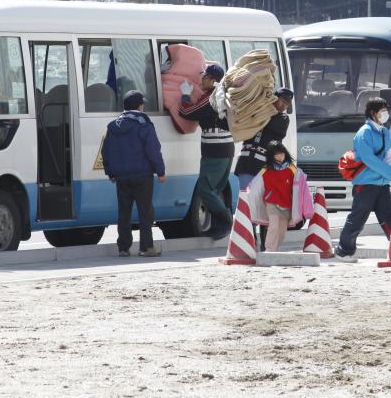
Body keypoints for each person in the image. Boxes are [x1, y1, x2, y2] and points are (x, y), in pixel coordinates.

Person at [333, 97, 391, 262]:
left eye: (386, 111)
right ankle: (344, 251)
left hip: (382, 182)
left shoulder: (384, 132)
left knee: (388, 217)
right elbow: (368, 159)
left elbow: (388, 155)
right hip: (365, 183)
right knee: (358, 217)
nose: (385, 114)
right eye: (382, 111)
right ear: (373, 113)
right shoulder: (364, 132)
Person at [101, 91, 166, 258]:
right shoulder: (144, 124)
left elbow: (106, 151)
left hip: (121, 176)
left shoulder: (113, 126)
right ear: (140, 105)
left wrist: (110, 172)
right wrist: (160, 171)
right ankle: (146, 247)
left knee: (124, 212)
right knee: (145, 211)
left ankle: (123, 247)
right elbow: (153, 150)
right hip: (142, 175)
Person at [234, 87, 294, 249]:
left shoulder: (282, 119)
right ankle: (249, 241)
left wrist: (261, 108)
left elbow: (271, 126)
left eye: (286, 103)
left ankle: (266, 246)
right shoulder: (257, 111)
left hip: (265, 168)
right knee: (247, 204)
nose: (282, 105)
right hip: (246, 163)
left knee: (265, 205)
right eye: (280, 100)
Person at [178, 63, 234, 239]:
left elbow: (186, 112)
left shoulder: (211, 98)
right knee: (215, 189)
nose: (201, 80)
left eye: (204, 76)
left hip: (215, 149)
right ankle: (219, 227)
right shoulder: (221, 97)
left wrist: (185, 95)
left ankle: (226, 221)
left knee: (205, 188)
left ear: (212, 80)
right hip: (224, 147)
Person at [259, 141, 296, 251]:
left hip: (287, 203)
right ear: (271, 156)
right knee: (273, 226)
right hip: (271, 201)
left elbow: (299, 185)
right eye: (276, 155)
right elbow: (257, 186)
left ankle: (275, 249)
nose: (280, 156)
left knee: (282, 231)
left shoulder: (292, 168)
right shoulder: (265, 169)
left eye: (282, 154)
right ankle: (269, 250)